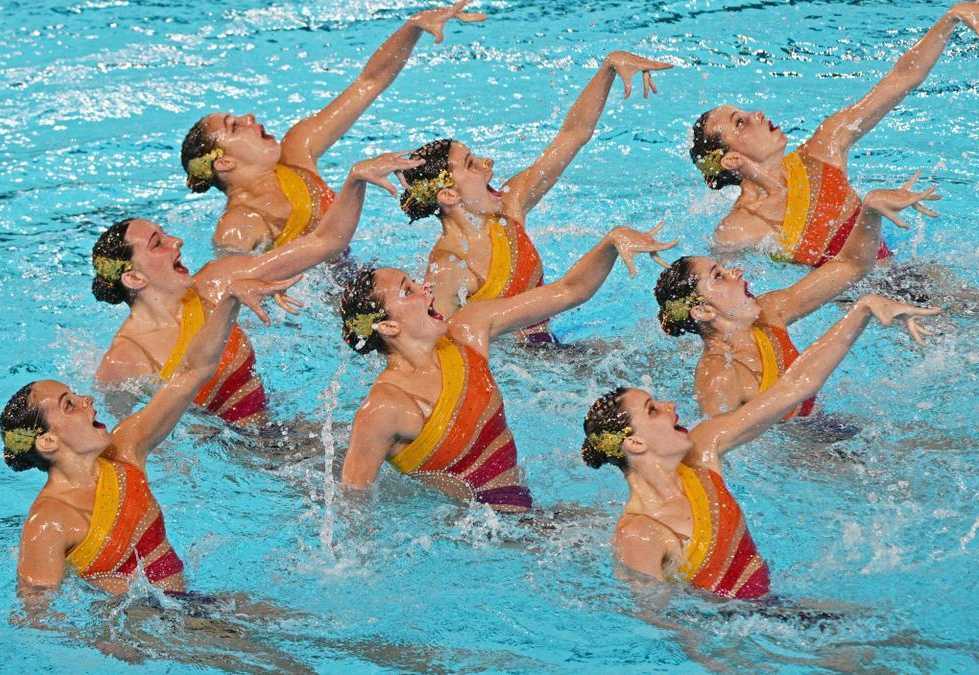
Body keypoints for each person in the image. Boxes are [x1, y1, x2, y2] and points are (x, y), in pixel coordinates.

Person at [581, 295, 941, 599]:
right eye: (653, 410)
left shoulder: (704, 451)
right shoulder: (639, 533)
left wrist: (862, 311)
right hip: (731, 638)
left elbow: (795, 386)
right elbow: (662, 624)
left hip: (776, 610)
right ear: (635, 443)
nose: (671, 407)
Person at [1, 275, 299, 602]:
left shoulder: (126, 449)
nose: (86, 400)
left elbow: (191, 372)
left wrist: (230, 301)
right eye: (68, 404)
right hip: (139, 630)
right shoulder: (49, 521)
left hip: (186, 609)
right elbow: (36, 618)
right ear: (47, 442)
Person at [338, 223, 676, 511]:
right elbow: (353, 501)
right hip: (475, 537)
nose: (425, 287)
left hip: (521, 512)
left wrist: (612, 242)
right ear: (388, 327)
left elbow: (569, 290)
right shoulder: (385, 407)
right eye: (408, 290)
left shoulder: (469, 330)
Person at [93, 152, 419, 426]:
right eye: (158, 244)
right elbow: (130, 440)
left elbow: (322, 243)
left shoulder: (216, 283)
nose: (175, 241)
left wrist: (354, 180)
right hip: (231, 462)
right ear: (134, 279)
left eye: (167, 234)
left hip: (277, 425)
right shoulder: (123, 362)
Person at [688, 0, 979, 266]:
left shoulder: (824, 148)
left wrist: (951, 18)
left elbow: (899, 80)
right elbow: (726, 304)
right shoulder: (737, 230)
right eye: (739, 122)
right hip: (864, 318)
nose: (756, 114)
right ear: (730, 159)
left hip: (914, 276)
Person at [396, 50, 671, 341]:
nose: (487, 162)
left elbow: (573, 134)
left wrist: (609, 68)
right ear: (448, 195)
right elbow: (439, 349)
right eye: (470, 164)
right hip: (518, 371)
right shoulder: (450, 268)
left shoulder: (510, 204)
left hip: (551, 345)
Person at [180, 0, 485, 254]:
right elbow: (228, 295)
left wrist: (413, 26)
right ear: (225, 162)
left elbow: (369, 83)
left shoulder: (297, 150)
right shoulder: (238, 226)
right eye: (234, 127)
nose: (249, 117)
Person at [655, 173, 940, 417]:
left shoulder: (770, 312)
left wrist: (870, 212)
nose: (736, 272)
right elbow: (719, 451)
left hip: (825, 429)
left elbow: (850, 266)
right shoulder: (718, 378)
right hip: (796, 459)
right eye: (719, 276)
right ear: (703, 311)